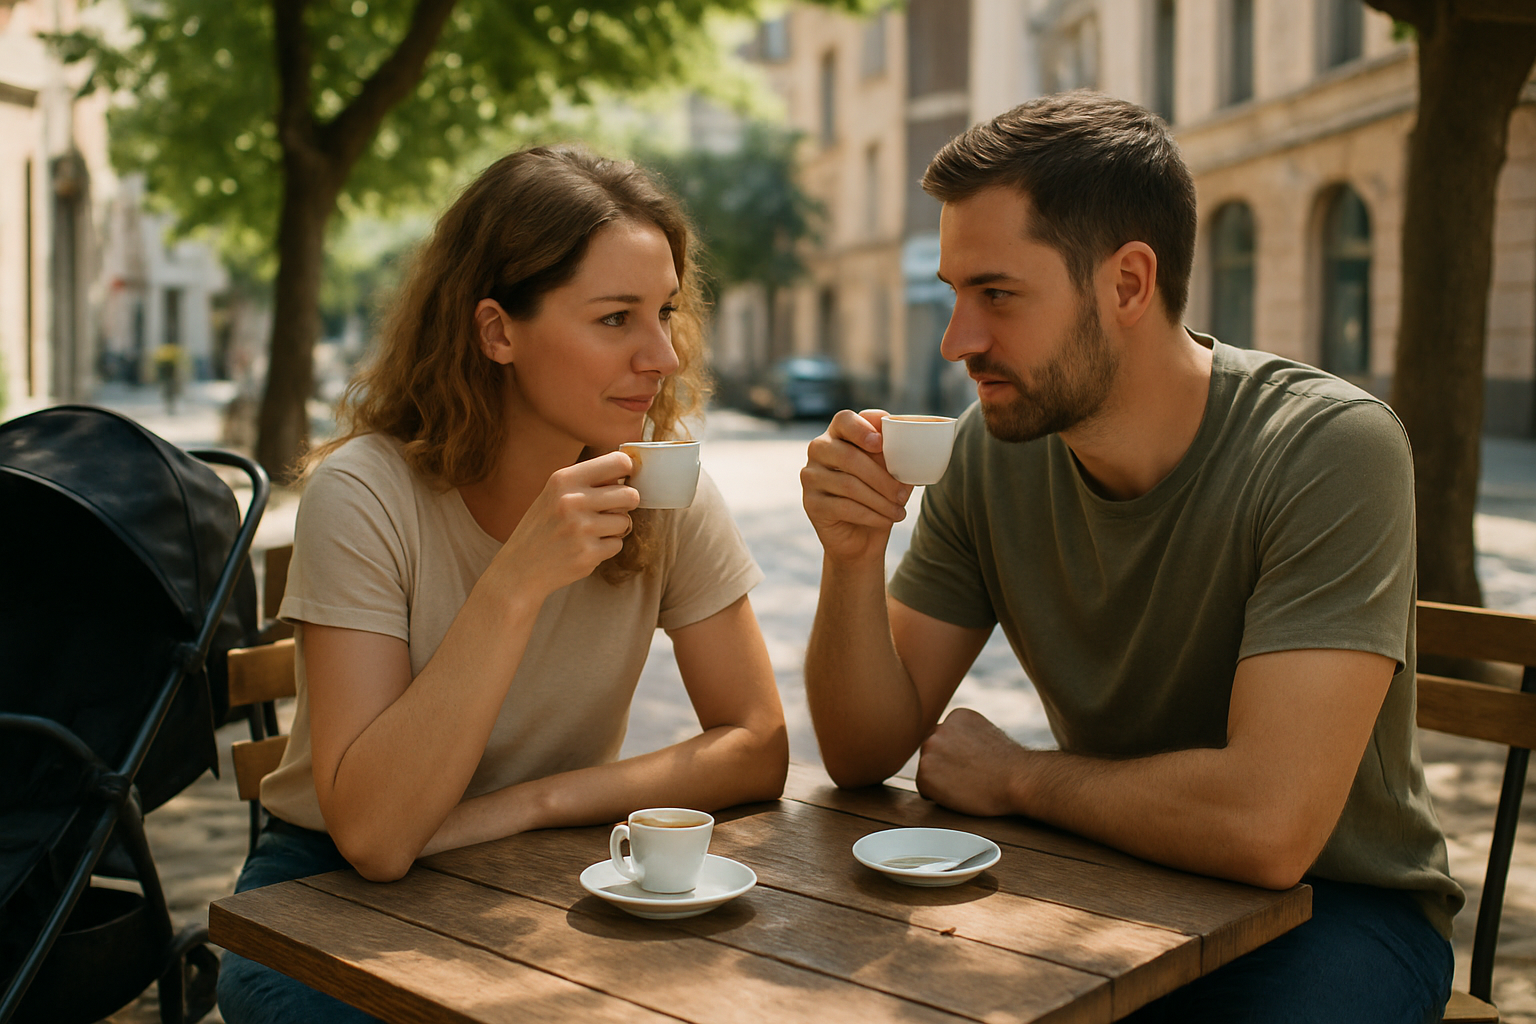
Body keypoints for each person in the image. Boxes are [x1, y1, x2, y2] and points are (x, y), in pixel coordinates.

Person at [799, 92, 1462, 1022]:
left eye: (996, 295)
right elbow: (864, 750)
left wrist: (1022, 778)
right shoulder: (992, 453)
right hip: (1107, 872)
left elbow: (1268, 829)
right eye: (955, 296)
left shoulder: (1329, 448)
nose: (959, 343)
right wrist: (853, 553)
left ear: (1127, 284)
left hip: (1338, 909)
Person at [217, 147, 789, 1024]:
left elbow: (756, 744)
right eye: (614, 319)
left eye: (665, 312)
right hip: (327, 886)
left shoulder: (661, 490)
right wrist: (513, 584)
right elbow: (374, 836)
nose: (662, 356)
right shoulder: (366, 493)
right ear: (497, 332)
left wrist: (536, 804)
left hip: (551, 858)